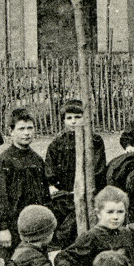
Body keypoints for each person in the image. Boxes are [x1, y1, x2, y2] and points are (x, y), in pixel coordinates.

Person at [0, 109, 53, 256]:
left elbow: (44, 195)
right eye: (21, 129)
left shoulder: (36, 160)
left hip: (34, 224)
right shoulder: (4, 161)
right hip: (13, 225)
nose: (26, 133)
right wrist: (3, 228)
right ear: (11, 131)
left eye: (30, 128)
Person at [45, 99, 108, 246]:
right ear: (64, 120)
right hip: (65, 191)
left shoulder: (95, 140)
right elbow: (50, 167)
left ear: (85, 118)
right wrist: (52, 184)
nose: (73, 121)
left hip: (88, 189)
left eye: (78, 117)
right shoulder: (57, 143)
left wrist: (85, 187)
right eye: (69, 118)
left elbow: (98, 168)